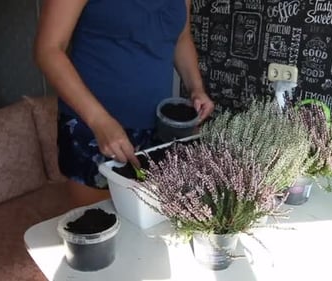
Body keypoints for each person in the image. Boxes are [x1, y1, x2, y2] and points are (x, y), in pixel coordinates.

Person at [33, 0, 214, 207]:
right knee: (104, 226)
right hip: (95, 127)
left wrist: (196, 88)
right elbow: (48, 50)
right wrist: (99, 121)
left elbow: (181, 39)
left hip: (161, 128)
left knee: (154, 223)